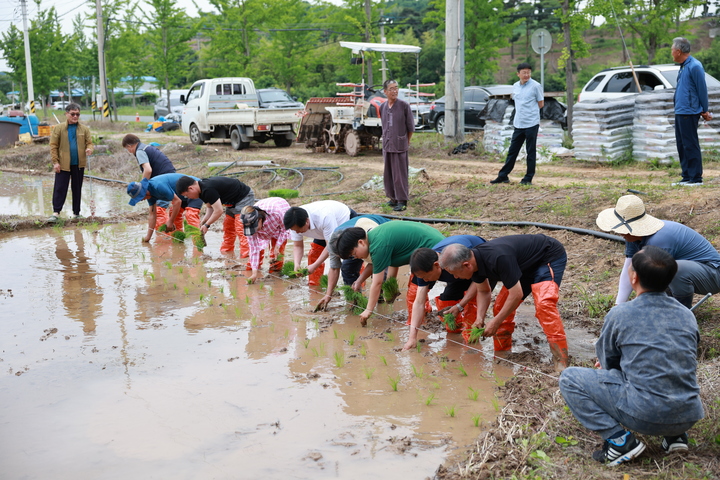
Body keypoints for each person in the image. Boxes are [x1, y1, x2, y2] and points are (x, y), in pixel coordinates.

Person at [559, 246, 704, 466]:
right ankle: (675, 436)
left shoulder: (620, 313)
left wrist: (609, 368)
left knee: (569, 378)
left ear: (633, 277)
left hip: (646, 415)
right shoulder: (687, 314)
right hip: (688, 414)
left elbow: (608, 362)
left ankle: (619, 441)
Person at [438, 234, 569, 371]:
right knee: (500, 307)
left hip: (546, 257)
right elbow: (483, 291)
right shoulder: (474, 263)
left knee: (544, 305)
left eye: (454, 273)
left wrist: (495, 322)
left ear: (466, 265)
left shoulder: (497, 258)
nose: (455, 277)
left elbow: (516, 294)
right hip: (522, 265)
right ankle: (502, 353)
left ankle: (561, 361)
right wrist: (480, 318)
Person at [596, 194, 720, 309]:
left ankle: (681, 311)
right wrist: (618, 306)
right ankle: (667, 307)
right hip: (693, 272)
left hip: (713, 275)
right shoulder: (632, 236)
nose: (618, 233)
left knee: (671, 269)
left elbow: (653, 278)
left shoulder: (659, 239)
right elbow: (629, 267)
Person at [336, 221, 445, 326]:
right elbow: (393, 262)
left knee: (414, 292)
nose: (355, 257)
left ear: (361, 242)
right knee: (416, 290)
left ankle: (418, 325)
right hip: (432, 244)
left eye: (354, 253)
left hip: (434, 248)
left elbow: (377, 283)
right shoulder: (374, 238)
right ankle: (424, 316)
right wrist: (390, 287)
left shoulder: (378, 246)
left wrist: (368, 310)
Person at [402, 235, 487, 350]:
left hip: (480, 268)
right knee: (447, 300)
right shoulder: (424, 266)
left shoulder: (454, 261)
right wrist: (412, 337)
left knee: (472, 303)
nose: (425, 280)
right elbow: (419, 302)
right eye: (422, 278)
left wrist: (460, 305)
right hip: (457, 272)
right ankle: (455, 331)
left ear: (437, 265)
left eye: (426, 277)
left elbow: (477, 284)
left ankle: (472, 343)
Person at [122, 133, 202, 231]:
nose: (129, 152)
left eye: (127, 149)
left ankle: (163, 238)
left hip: (164, 181)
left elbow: (148, 170)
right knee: (173, 209)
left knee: (160, 210)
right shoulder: (146, 147)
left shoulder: (139, 151)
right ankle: (174, 236)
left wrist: (142, 186)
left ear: (129, 146)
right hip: (168, 177)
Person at [316, 214, 391, 311]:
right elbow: (334, 268)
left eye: (353, 255)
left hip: (381, 231)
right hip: (353, 243)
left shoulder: (368, 237)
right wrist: (328, 295)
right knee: (347, 268)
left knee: (380, 273)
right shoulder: (333, 244)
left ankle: (381, 301)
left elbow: (375, 263)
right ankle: (355, 301)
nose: (354, 258)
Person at [490, 62, 544, 186]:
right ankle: (503, 176)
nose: (526, 75)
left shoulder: (536, 86)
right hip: (519, 123)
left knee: (530, 151)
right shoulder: (515, 86)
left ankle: (528, 178)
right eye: (524, 73)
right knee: (513, 151)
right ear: (518, 74)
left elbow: (541, 104)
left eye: (529, 72)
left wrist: (531, 113)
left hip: (531, 123)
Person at [282, 200, 355, 286]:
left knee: (350, 260)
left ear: (307, 221)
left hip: (344, 222)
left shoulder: (324, 217)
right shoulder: (294, 223)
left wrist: (315, 265)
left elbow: (330, 246)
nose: (297, 232)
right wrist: (297, 264)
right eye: (294, 230)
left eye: (298, 230)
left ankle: (356, 287)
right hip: (322, 230)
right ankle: (314, 288)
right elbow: (298, 246)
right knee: (314, 254)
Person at [175, 176, 255, 253]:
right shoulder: (201, 190)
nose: (188, 198)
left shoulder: (207, 189)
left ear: (191, 188)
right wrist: (204, 221)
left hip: (243, 197)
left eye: (186, 195)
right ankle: (226, 252)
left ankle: (247, 255)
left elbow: (219, 211)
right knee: (228, 227)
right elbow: (210, 208)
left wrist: (207, 225)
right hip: (231, 202)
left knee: (240, 227)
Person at [671, 37, 711, 187]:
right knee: (681, 144)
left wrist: (705, 110)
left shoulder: (695, 66)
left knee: (690, 144)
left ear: (678, 51)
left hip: (689, 111)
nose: (672, 53)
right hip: (680, 111)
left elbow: (702, 89)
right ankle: (686, 176)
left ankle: (696, 178)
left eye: (672, 50)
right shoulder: (683, 66)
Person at [48, 103, 94, 222]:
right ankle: (56, 213)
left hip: (79, 164)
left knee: (77, 188)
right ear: (67, 114)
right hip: (63, 164)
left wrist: (89, 149)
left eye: (77, 114)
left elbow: (89, 142)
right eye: (72, 114)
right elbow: (53, 146)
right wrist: (55, 162)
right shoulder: (59, 128)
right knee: (60, 187)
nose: (75, 116)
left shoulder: (84, 129)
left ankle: (76, 213)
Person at [127, 173, 201, 242]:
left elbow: (177, 202)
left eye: (140, 198)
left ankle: (198, 244)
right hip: (182, 196)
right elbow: (153, 215)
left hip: (195, 189)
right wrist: (148, 237)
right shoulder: (150, 195)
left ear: (145, 192)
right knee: (174, 213)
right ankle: (179, 240)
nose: (142, 200)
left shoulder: (158, 185)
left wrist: (170, 221)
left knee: (191, 215)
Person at [380, 79, 415, 212]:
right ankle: (392, 198)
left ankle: (402, 200)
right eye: (391, 89)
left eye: (396, 88)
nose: (395, 91)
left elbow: (410, 127)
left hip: (400, 144)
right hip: (387, 144)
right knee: (388, 173)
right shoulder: (382, 107)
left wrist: (406, 140)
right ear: (385, 92)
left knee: (400, 173)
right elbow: (384, 125)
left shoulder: (403, 105)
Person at [240, 197, 292, 284]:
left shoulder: (276, 213)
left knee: (278, 253)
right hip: (266, 224)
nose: (254, 231)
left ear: (260, 220)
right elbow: (254, 249)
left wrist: (277, 246)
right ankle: (256, 268)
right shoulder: (247, 221)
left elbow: (284, 229)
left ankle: (275, 274)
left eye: (254, 228)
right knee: (257, 252)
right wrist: (254, 273)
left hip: (279, 220)